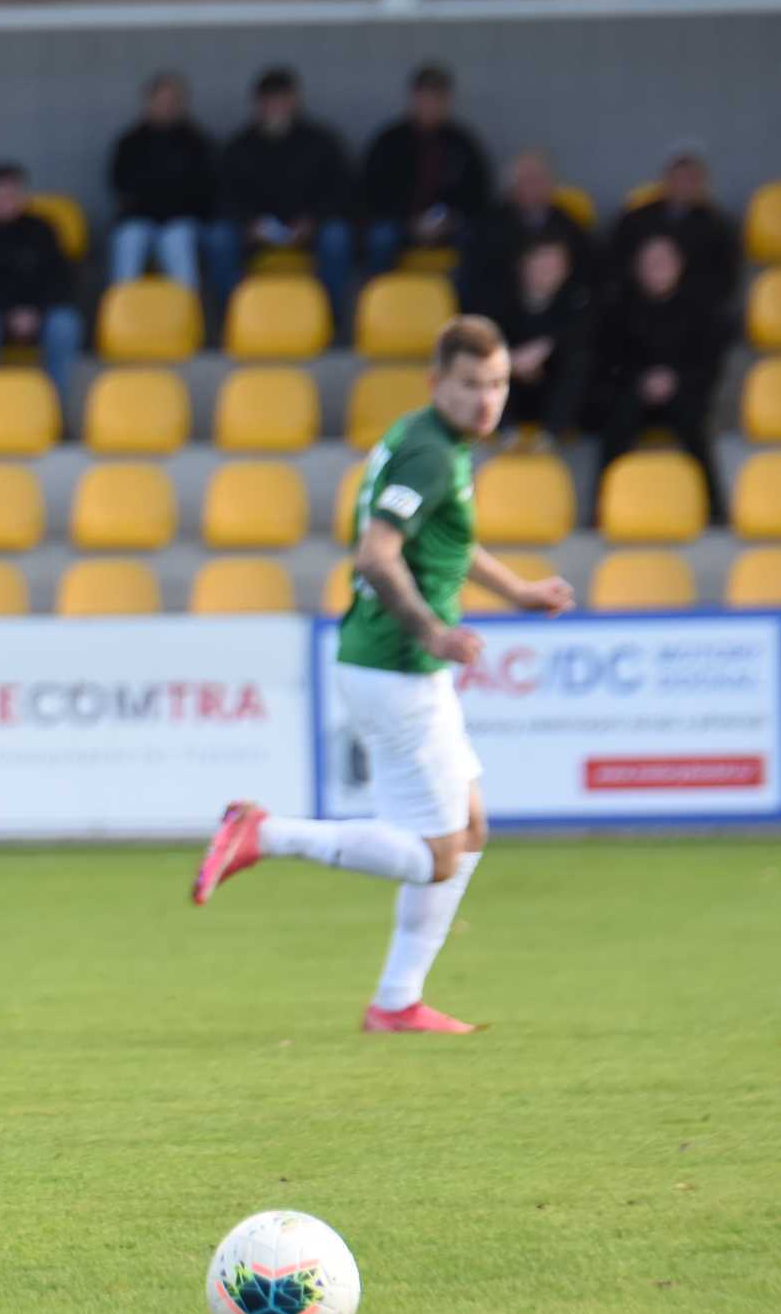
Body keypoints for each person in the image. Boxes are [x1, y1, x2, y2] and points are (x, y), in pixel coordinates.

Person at [193, 316, 574, 1034]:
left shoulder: (432, 441)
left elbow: (448, 541)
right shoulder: (431, 455)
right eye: (470, 385)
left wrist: (518, 591)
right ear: (438, 383)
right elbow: (376, 556)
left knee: (472, 828)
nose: (486, 400)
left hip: (397, 666)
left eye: (496, 385)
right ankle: (265, 833)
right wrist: (432, 629)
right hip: (397, 668)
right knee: (436, 858)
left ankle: (398, 1001)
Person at [591, 233, 726, 523]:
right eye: (651, 263)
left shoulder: (699, 308)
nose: (658, 269)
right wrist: (642, 381)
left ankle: (715, 510)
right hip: (631, 392)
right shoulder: (618, 306)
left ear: (679, 265)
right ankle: (601, 508)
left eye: (664, 262)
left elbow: (707, 361)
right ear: (638, 267)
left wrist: (674, 380)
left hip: (682, 392)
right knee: (616, 424)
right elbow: (609, 358)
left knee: (694, 425)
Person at [206, 66, 355, 327]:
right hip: (254, 233)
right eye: (269, 101)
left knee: (337, 236)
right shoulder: (239, 147)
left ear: (294, 101)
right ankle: (232, 319)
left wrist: (312, 221)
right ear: (258, 104)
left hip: (310, 230)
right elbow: (223, 197)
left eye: (282, 99)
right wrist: (249, 224)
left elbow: (341, 192)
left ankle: (331, 320)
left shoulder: (320, 142)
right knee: (219, 238)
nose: (276, 107)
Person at [0, 162, 81, 405]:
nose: (4, 202)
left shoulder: (43, 229)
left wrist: (36, 312)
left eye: (11, 195)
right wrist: (8, 314)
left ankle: (54, 409)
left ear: (23, 196)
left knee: (65, 324)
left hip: (39, 314)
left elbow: (59, 279)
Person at [358, 64, 491, 277]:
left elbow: (479, 196)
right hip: (400, 223)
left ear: (447, 100)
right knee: (380, 237)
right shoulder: (389, 141)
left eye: (437, 99)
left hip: (449, 226)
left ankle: (461, 304)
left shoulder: (463, 144)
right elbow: (371, 194)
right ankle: (381, 299)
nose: (431, 106)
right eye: (425, 98)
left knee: (476, 239)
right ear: (414, 99)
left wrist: (451, 220)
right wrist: (408, 222)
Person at [607, 143, 740, 328]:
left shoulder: (718, 226)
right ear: (665, 180)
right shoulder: (634, 219)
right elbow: (614, 265)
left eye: (690, 179)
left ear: (702, 184)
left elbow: (725, 280)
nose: (683, 185)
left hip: (695, 314)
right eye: (677, 178)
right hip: (635, 310)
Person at [108, 71, 213, 291]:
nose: (166, 107)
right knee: (128, 240)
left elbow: (206, 188)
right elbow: (119, 184)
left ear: (182, 104)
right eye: (160, 101)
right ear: (148, 103)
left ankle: (186, 317)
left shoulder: (197, 142)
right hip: (141, 219)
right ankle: (123, 316)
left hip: (182, 220)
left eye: (172, 101)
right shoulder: (130, 142)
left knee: (178, 241)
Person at [480, 236, 589, 446]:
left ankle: (551, 435)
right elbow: (484, 335)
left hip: (551, 393)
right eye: (541, 263)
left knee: (580, 360)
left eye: (555, 265)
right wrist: (509, 359)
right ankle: (504, 432)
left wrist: (545, 346)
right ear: (524, 264)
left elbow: (581, 336)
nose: (547, 271)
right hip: (508, 391)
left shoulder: (576, 300)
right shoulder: (497, 297)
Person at [455, 149, 591, 316]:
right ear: (511, 187)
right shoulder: (484, 228)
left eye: (540, 180)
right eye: (526, 181)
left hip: (560, 321)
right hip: (502, 316)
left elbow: (587, 278)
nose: (534, 187)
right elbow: (474, 285)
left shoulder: (569, 226)